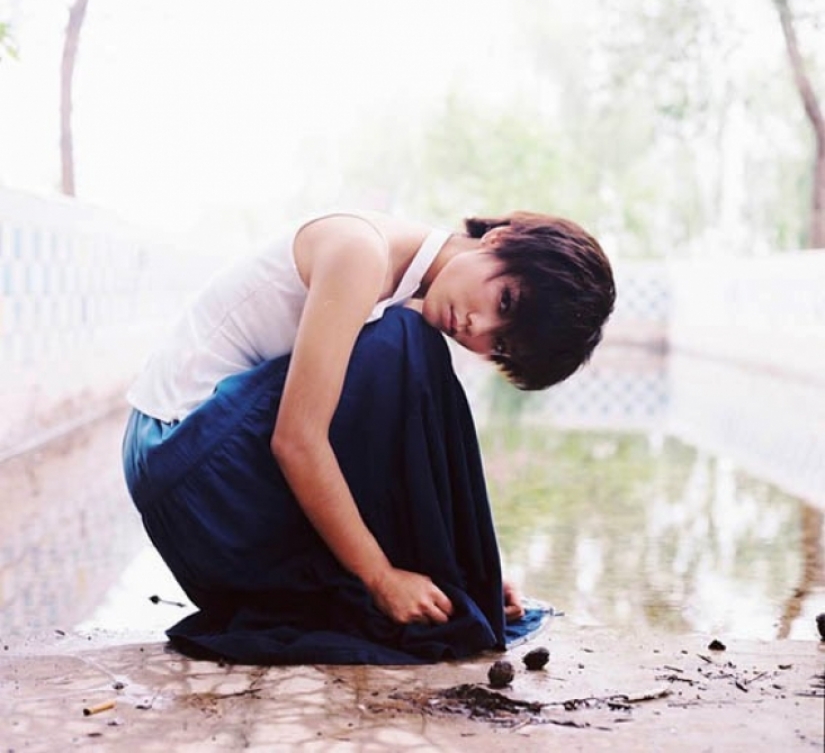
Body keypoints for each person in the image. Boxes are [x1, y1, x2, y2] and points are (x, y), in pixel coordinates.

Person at [122, 209, 615, 664]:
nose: (477, 327)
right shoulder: (362, 253)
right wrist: (380, 578)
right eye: (504, 299)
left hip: (199, 476)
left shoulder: (404, 283)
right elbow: (296, 440)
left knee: (409, 351)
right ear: (500, 239)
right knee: (405, 344)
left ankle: (460, 574)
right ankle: (438, 571)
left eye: (501, 343)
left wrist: (465, 570)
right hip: (183, 472)